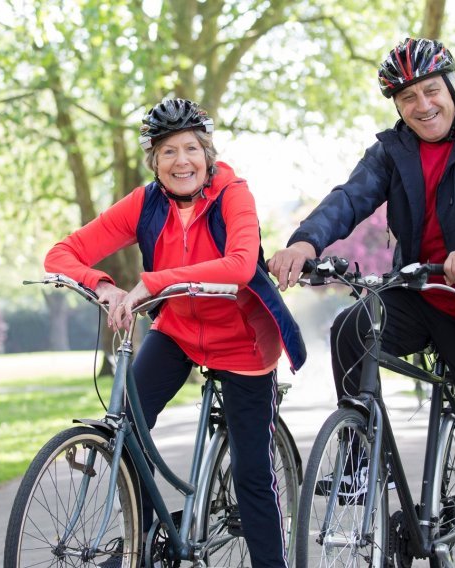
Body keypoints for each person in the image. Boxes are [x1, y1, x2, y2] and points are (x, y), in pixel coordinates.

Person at [268, 38, 455, 567]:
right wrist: (305, 242)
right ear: (397, 106)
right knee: (352, 327)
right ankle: (357, 456)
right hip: (421, 292)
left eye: (431, 91)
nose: (423, 106)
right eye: (408, 98)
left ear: (454, 87)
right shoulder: (394, 149)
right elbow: (351, 196)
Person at [45, 97, 306, 568]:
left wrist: (151, 283)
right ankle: (138, 547)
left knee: (251, 476)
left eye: (190, 148)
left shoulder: (233, 194)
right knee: (129, 427)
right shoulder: (146, 204)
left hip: (242, 341)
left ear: (207, 153)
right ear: (155, 161)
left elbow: (242, 266)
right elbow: (63, 253)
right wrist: (102, 285)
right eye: (168, 151)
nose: (181, 160)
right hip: (179, 330)